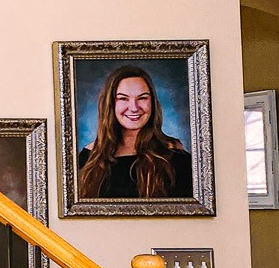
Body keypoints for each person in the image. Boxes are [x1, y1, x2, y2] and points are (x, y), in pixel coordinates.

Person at [76, 65, 194, 200]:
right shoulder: (88, 159)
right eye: (123, 98)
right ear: (110, 104)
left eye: (142, 98)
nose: (134, 108)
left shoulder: (176, 157)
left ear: (152, 103)